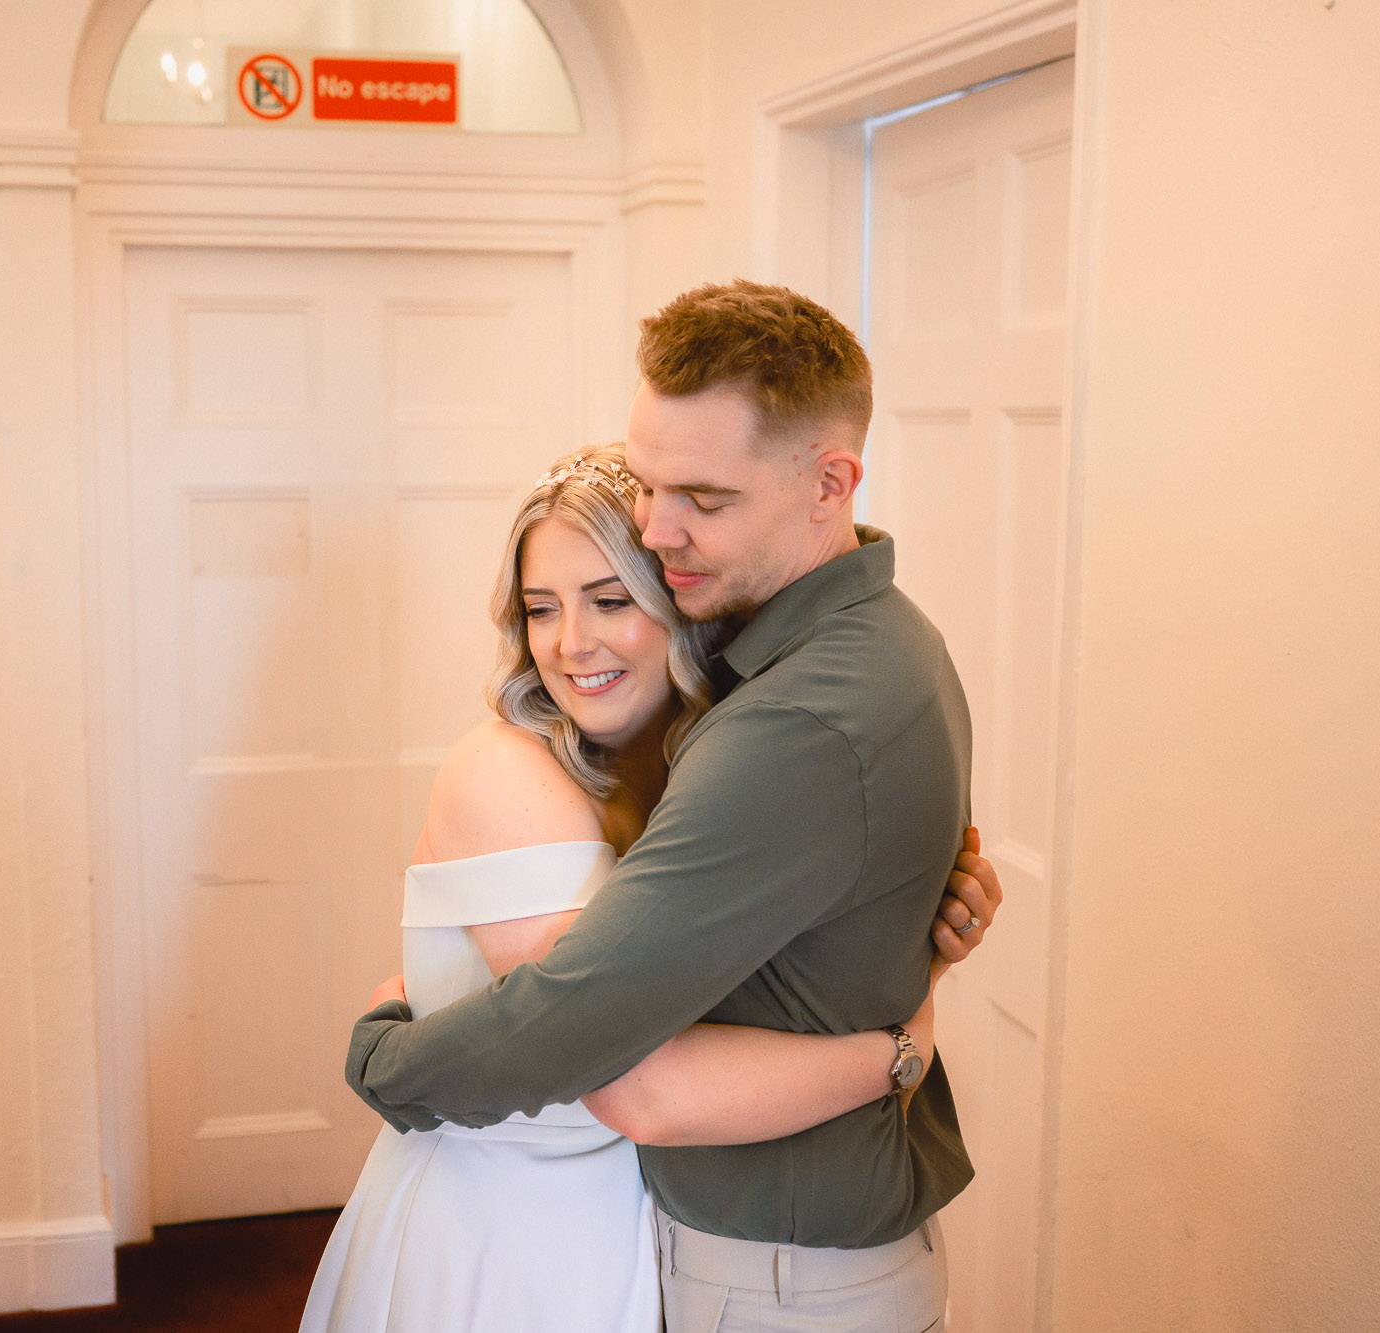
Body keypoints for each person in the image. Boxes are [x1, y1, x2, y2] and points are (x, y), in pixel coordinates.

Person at [347, 281, 981, 1331]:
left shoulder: (788, 723)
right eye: (647, 487)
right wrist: (916, 985)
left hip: (775, 1272)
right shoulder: (873, 637)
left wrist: (388, 1060)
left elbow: (624, 1076)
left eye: (703, 499)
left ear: (830, 483)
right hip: (618, 1244)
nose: (659, 528)